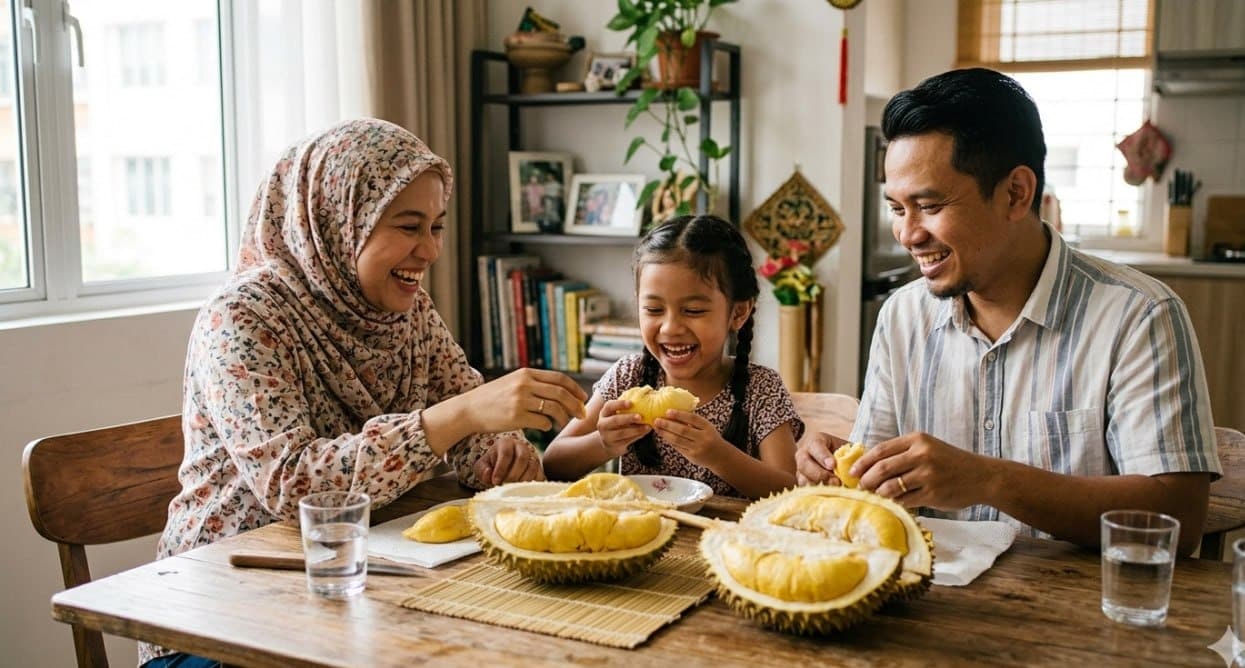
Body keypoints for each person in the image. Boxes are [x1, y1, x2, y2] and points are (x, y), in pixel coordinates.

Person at [142, 119, 587, 667]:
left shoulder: (406, 311)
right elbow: (292, 483)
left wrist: (501, 454)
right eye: (408, 226)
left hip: (361, 596)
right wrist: (460, 416)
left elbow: (470, 418)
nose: (429, 250)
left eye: (437, 227)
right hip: (221, 619)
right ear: (338, 221)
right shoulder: (241, 319)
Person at [795, 68, 1218, 556]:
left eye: (929, 205)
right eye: (896, 208)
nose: (908, 235)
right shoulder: (900, 317)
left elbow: (1179, 519)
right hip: (928, 607)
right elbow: (874, 487)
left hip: (1076, 617)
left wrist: (991, 480)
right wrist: (838, 469)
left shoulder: (1140, 316)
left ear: (1016, 193)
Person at [543, 214, 802, 498]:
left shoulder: (761, 389)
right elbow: (553, 464)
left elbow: (788, 491)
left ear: (738, 312)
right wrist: (603, 444)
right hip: (640, 535)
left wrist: (718, 455)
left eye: (693, 311)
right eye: (654, 310)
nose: (671, 328)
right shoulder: (628, 377)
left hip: (727, 539)